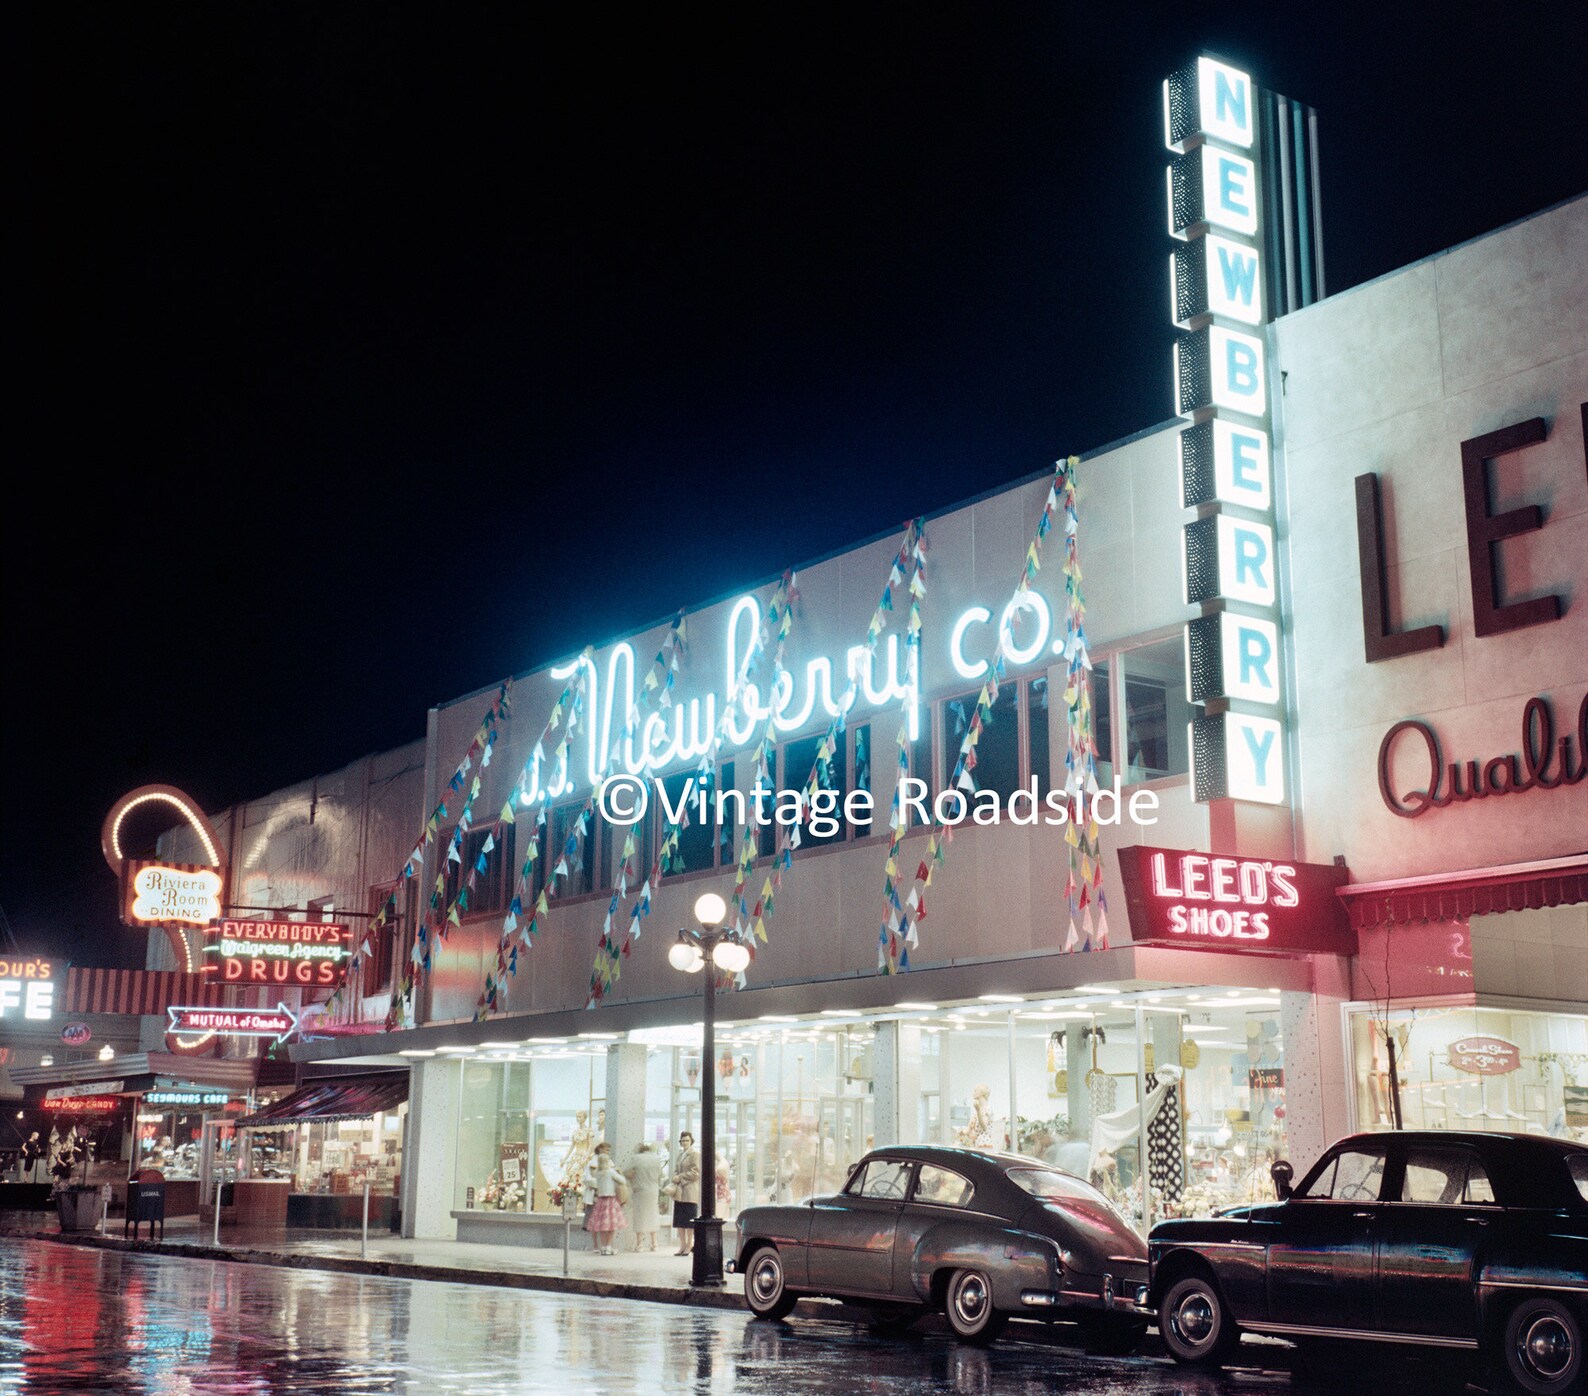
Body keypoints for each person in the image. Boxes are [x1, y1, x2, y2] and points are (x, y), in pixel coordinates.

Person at [583, 1142, 627, 1256]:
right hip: (609, 1200)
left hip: (600, 1199)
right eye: (606, 1150)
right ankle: (607, 1246)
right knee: (611, 1225)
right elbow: (622, 1180)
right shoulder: (609, 1170)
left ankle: (601, 1246)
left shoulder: (598, 1172)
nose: (608, 1152)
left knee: (601, 1225)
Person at [669, 1130, 701, 1255]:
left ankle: (689, 1245)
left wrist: (680, 1177)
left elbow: (695, 1173)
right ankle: (682, 1244)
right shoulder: (680, 1154)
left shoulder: (694, 1154)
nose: (684, 1143)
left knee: (689, 1221)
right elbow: (676, 1169)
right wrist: (675, 1176)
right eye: (682, 1141)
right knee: (679, 1220)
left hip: (690, 1191)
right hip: (680, 1191)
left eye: (687, 1140)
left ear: (691, 1141)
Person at [627, 1142, 662, 1252]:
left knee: (639, 1216)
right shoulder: (656, 1159)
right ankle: (654, 1243)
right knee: (653, 1214)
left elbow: (626, 1171)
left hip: (640, 1190)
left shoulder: (636, 1158)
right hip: (653, 1190)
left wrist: (633, 1178)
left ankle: (640, 1244)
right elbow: (660, 1174)